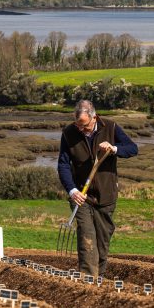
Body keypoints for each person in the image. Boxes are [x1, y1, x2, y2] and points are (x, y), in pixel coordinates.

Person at [57, 99, 138, 278]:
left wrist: (114, 148)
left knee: (102, 243)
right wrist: (72, 190)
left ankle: (97, 281)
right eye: (78, 125)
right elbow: (63, 165)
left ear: (94, 118)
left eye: (84, 126)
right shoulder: (69, 133)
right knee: (86, 239)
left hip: (106, 195)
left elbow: (133, 149)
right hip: (81, 195)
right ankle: (87, 281)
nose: (81, 130)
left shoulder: (110, 127)